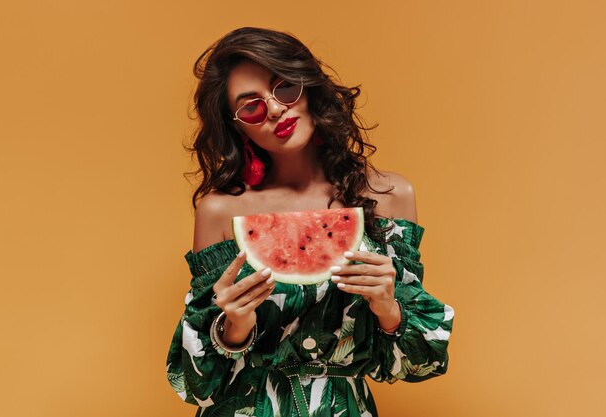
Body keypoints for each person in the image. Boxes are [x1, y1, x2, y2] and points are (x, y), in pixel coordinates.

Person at [166, 27, 455, 417]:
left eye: (285, 88)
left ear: (310, 88)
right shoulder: (220, 211)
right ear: (238, 127)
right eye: (250, 106)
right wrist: (231, 327)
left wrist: (388, 307)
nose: (273, 109)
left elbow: (420, 363)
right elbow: (195, 382)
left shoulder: (390, 196)